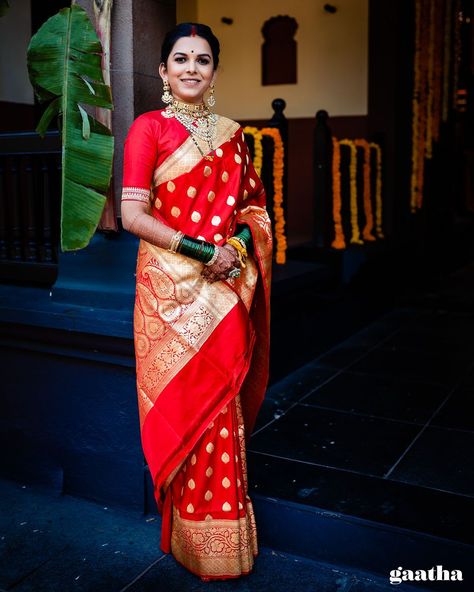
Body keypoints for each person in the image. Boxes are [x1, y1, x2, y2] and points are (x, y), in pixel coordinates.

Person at [120, 22, 273, 581]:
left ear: (213, 71)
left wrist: (232, 247)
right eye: (180, 59)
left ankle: (223, 537)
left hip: (223, 287)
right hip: (170, 291)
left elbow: (254, 212)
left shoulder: (233, 136)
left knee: (221, 403)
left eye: (202, 60)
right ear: (162, 71)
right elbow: (134, 215)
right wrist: (199, 248)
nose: (191, 68)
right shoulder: (148, 129)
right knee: (189, 409)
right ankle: (189, 534)